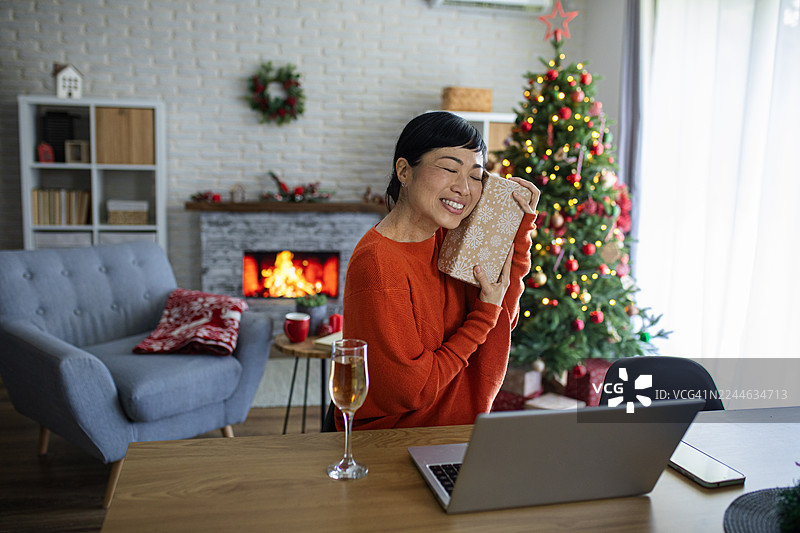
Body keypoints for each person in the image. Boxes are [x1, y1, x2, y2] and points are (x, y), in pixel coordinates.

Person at [340, 111, 538, 430]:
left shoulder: (450, 236)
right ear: (404, 171)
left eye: (476, 176)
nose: (464, 188)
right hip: (396, 441)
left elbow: (503, 317)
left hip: (457, 433)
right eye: (449, 169)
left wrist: (518, 229)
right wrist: (483, 317)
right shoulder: (378, 263)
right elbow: (412, 389)